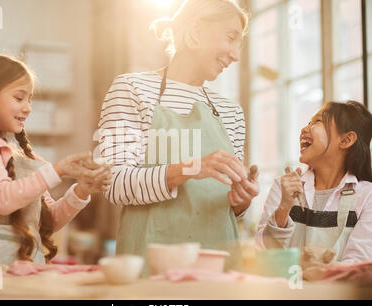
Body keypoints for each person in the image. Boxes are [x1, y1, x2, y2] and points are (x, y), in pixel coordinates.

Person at [97, 0, 258, 272]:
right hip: (151, 266)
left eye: (239, 44)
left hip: (218, 266)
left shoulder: (231, 113)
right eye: (230, 38)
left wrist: (242, 200)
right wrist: (191, 168)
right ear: (195, 32)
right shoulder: (132, 89)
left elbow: (231, 206)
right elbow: (113, 184)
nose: (235, 55)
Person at [0, 54, 112, 269]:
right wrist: (57, 171)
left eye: (30, 100)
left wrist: (82, 190)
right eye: (19, 98)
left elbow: (51, 221)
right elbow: (2, 199)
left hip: (28, 267)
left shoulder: (24, 155)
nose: (28, 108)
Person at [256, 101, 372, 264]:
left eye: (317, 121)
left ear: (346, 140)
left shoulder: (367, 196)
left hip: (334, 290)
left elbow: (358, 264)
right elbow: (263, 253)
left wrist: (319, 269)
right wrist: (283, 209)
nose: (304, 129)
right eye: (308, 122)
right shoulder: (283, 186)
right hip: (285, 289)